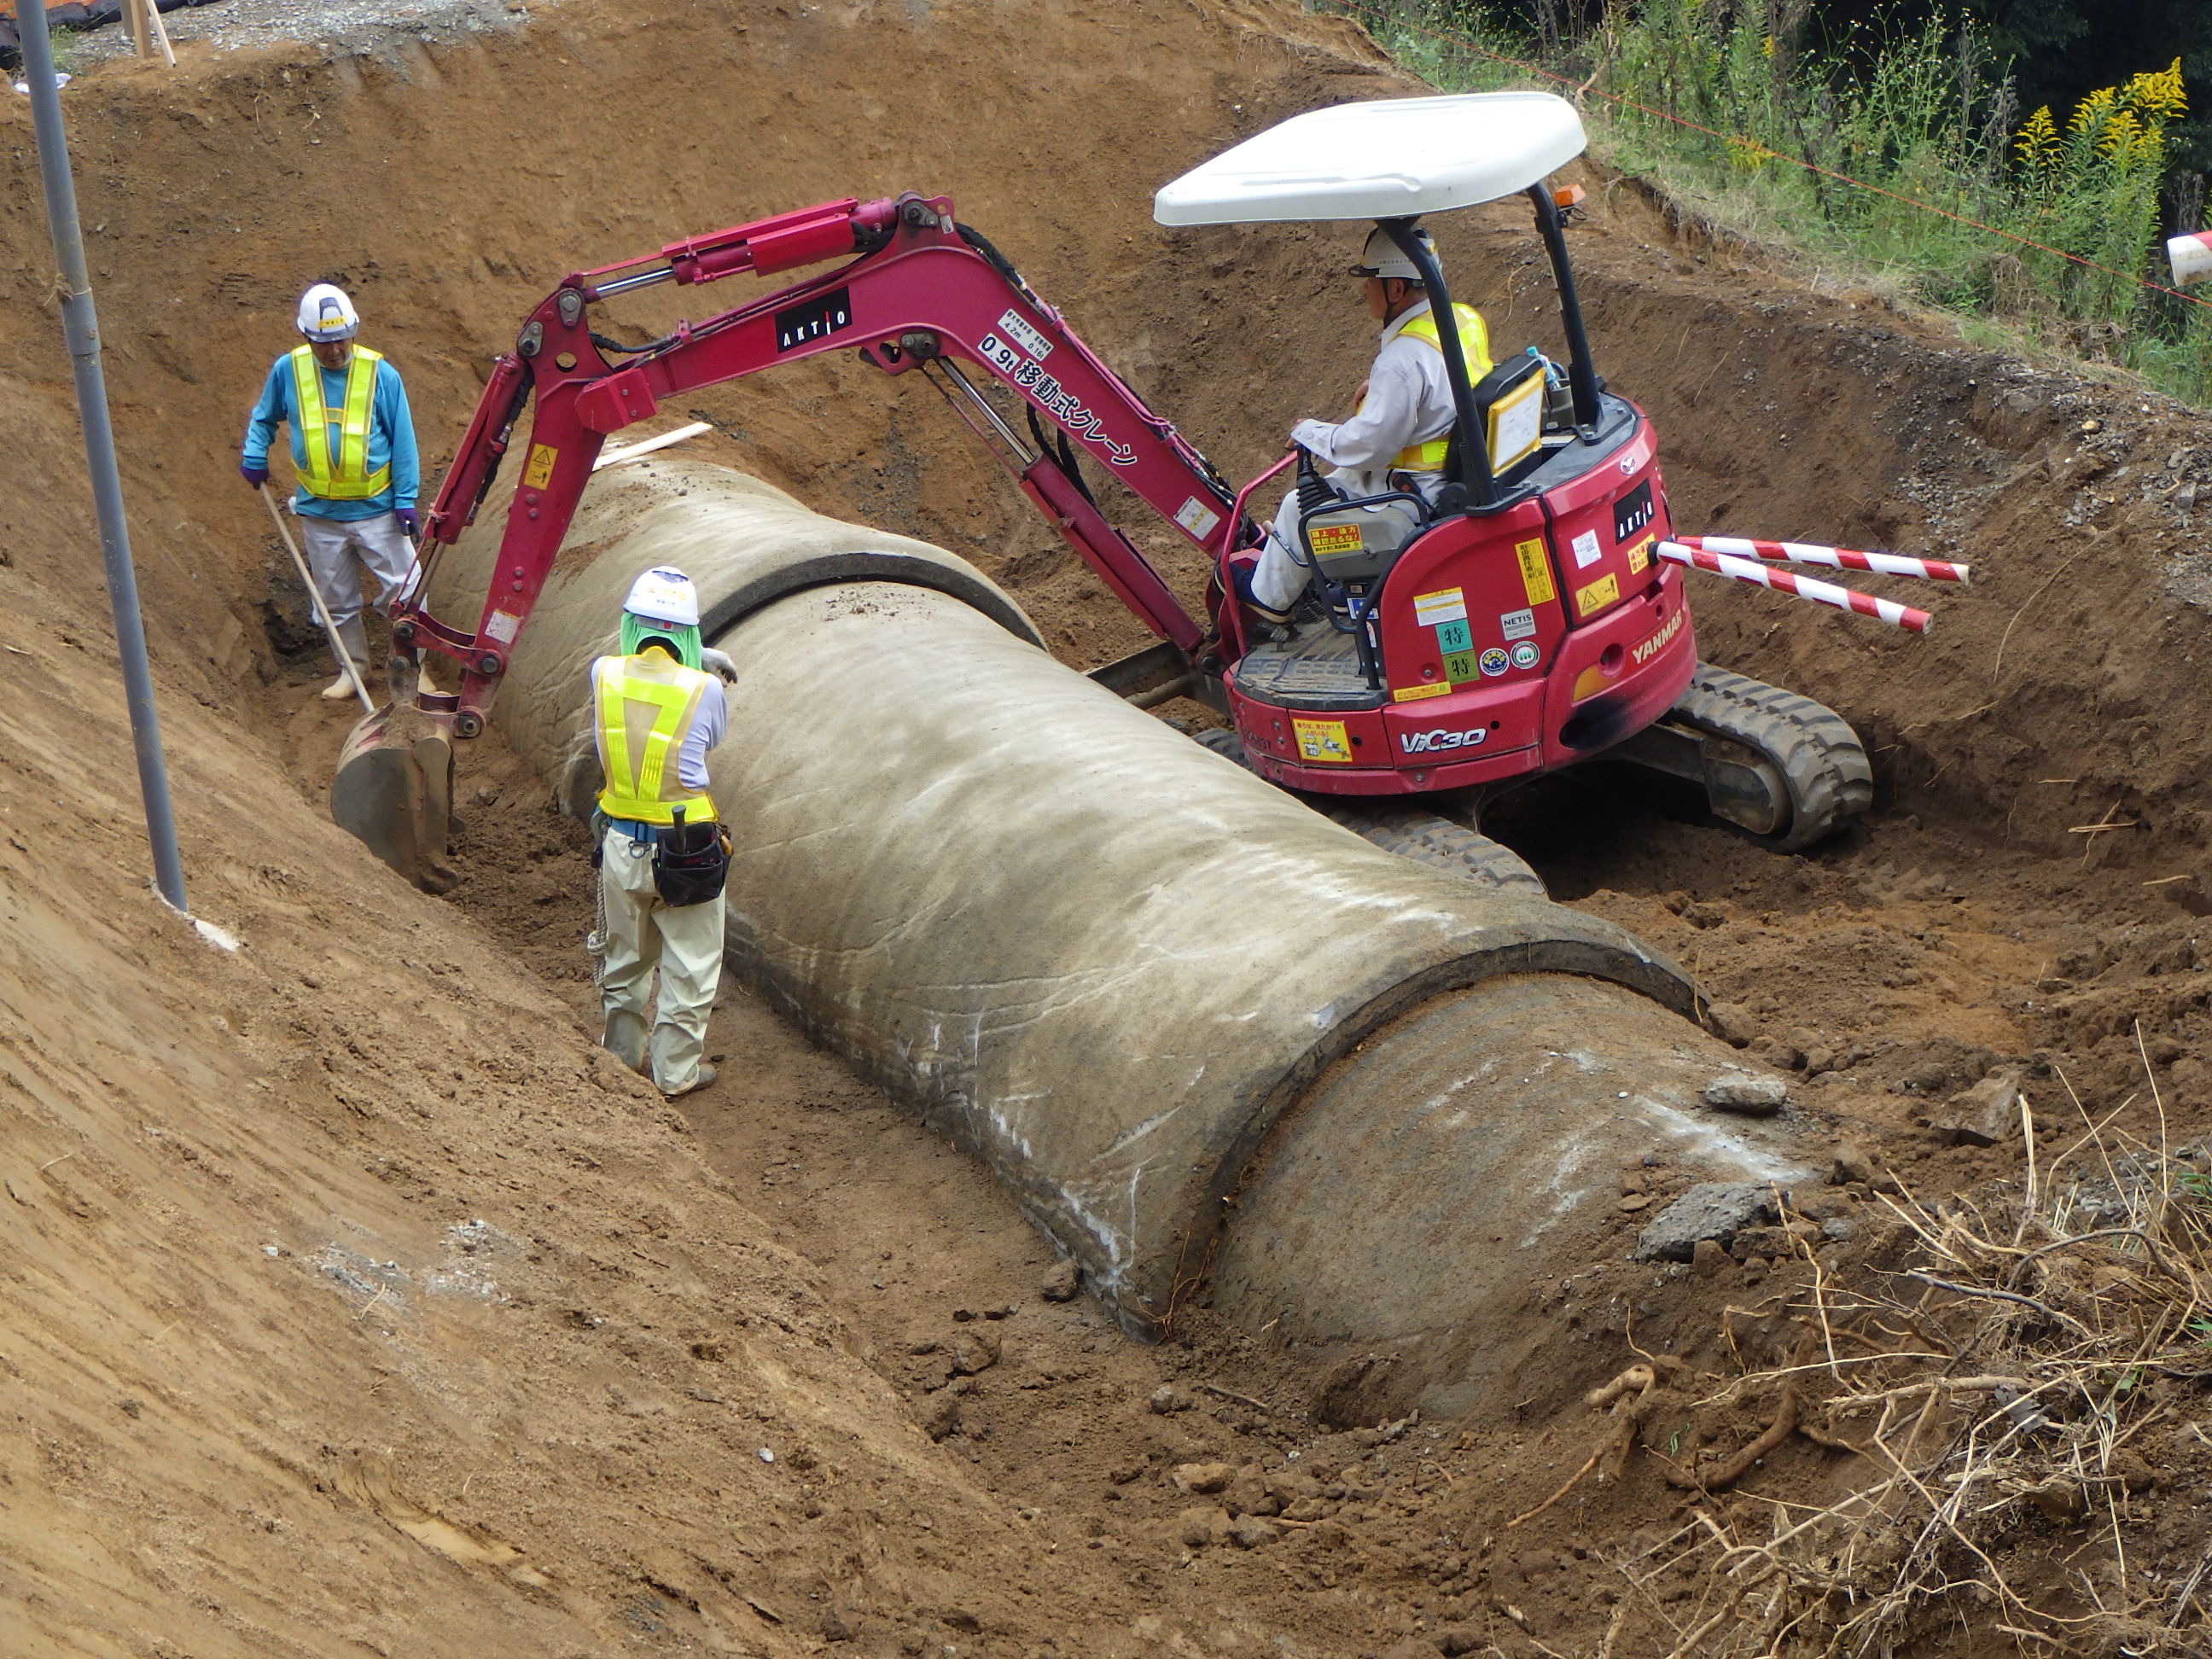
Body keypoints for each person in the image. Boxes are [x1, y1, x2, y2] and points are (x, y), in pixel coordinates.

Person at [1246, 227, 1493, 620]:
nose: (1364, 290)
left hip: (1417, 493)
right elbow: (1449, 378)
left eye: (1369, 280)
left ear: (1395, 288)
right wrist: (1386, 391)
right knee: (1340, 478)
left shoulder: (1401, 359)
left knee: (1298, 507)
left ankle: (1266, 604)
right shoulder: (1460, 318)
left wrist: (1309, 431)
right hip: (1456, 465)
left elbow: (1367, 447)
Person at [590, 567, 736, 1098]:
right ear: (690, 636)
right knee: (691, 966)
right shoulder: (706, 690)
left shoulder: (602, 673)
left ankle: (619, 1060)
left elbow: (634, 666)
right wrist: (703, 665)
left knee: (625, 957)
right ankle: (674, 1075)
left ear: (632, 623)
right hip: (687, 848)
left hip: (620, 843)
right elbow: (708, 738)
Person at [241, 282, 422, 699]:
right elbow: (264, 418)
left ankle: (414, 672)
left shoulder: (381, 373)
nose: (335, 349)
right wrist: (255, 453)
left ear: (353, 331)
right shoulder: (289, 370)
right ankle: (352, 670)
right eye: (324, 342)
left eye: (341, 339)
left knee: (406, 593)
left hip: (378, 510)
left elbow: (403, 441)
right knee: (335, 601)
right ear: (307, 337)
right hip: (321, 514)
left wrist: (406, 498)